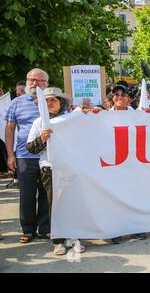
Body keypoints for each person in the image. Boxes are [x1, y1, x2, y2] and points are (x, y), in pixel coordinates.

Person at [26, 87, 86, 255]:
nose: (50, 103)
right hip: (50, 168)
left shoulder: (70, 120)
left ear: (61, 102)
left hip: (71, 167)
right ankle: (58, 241)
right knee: (56, 205)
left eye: (54, 100)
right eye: (46, 101)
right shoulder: (39, 123)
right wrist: (43, 138)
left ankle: (75, 238)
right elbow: (31, 148)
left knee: (73, 203)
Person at [4, 68, 50, 243]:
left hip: (48, 156)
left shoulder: (52, 102)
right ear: (26, 81)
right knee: (27, 195)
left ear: (46, 83)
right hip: (24, 156)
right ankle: (28, 229)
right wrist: (10, 155)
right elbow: (9, 129)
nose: (34, 83)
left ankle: (45, 228)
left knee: (46, 194)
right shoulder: (17, 103)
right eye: (31, 80)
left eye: (39, 81)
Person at [108, 84, 148, 243]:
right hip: (112, 164)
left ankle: (135, 228)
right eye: (116, 94)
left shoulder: (138, 115)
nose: (119, 97)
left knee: (133, 196)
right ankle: (115, 230)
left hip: (133, 162)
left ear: (129, 99)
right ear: (112, 98)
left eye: (123, 94)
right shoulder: (102, 115)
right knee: (114, 197)